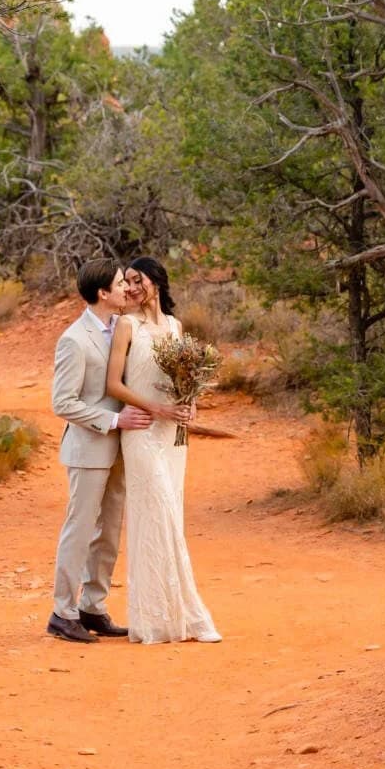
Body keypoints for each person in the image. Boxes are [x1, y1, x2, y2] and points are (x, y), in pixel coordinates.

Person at [103, 257, 222, 644]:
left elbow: (182, 381)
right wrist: (154, 409)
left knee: (171, 512)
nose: (132, 288)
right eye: (127, 282)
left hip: (172, 434)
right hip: (141, 430)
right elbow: (113, 385)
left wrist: (189, 405)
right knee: (158, 515)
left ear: (156, 281)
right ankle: (173, 617)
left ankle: (171, 618)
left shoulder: (175, 327)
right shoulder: (126, 325)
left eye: (138, 280)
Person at [46, 259, 154, 643]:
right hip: (88, 449)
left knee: (108, 532)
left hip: (121, 450)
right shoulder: (74, 340)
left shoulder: (122, 329)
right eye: (119, 284)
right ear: (102, 294)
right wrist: (113, 421)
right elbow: (63, 402)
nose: (127, 288)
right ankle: (62, 612)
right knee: (79, 531)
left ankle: (93, 607)